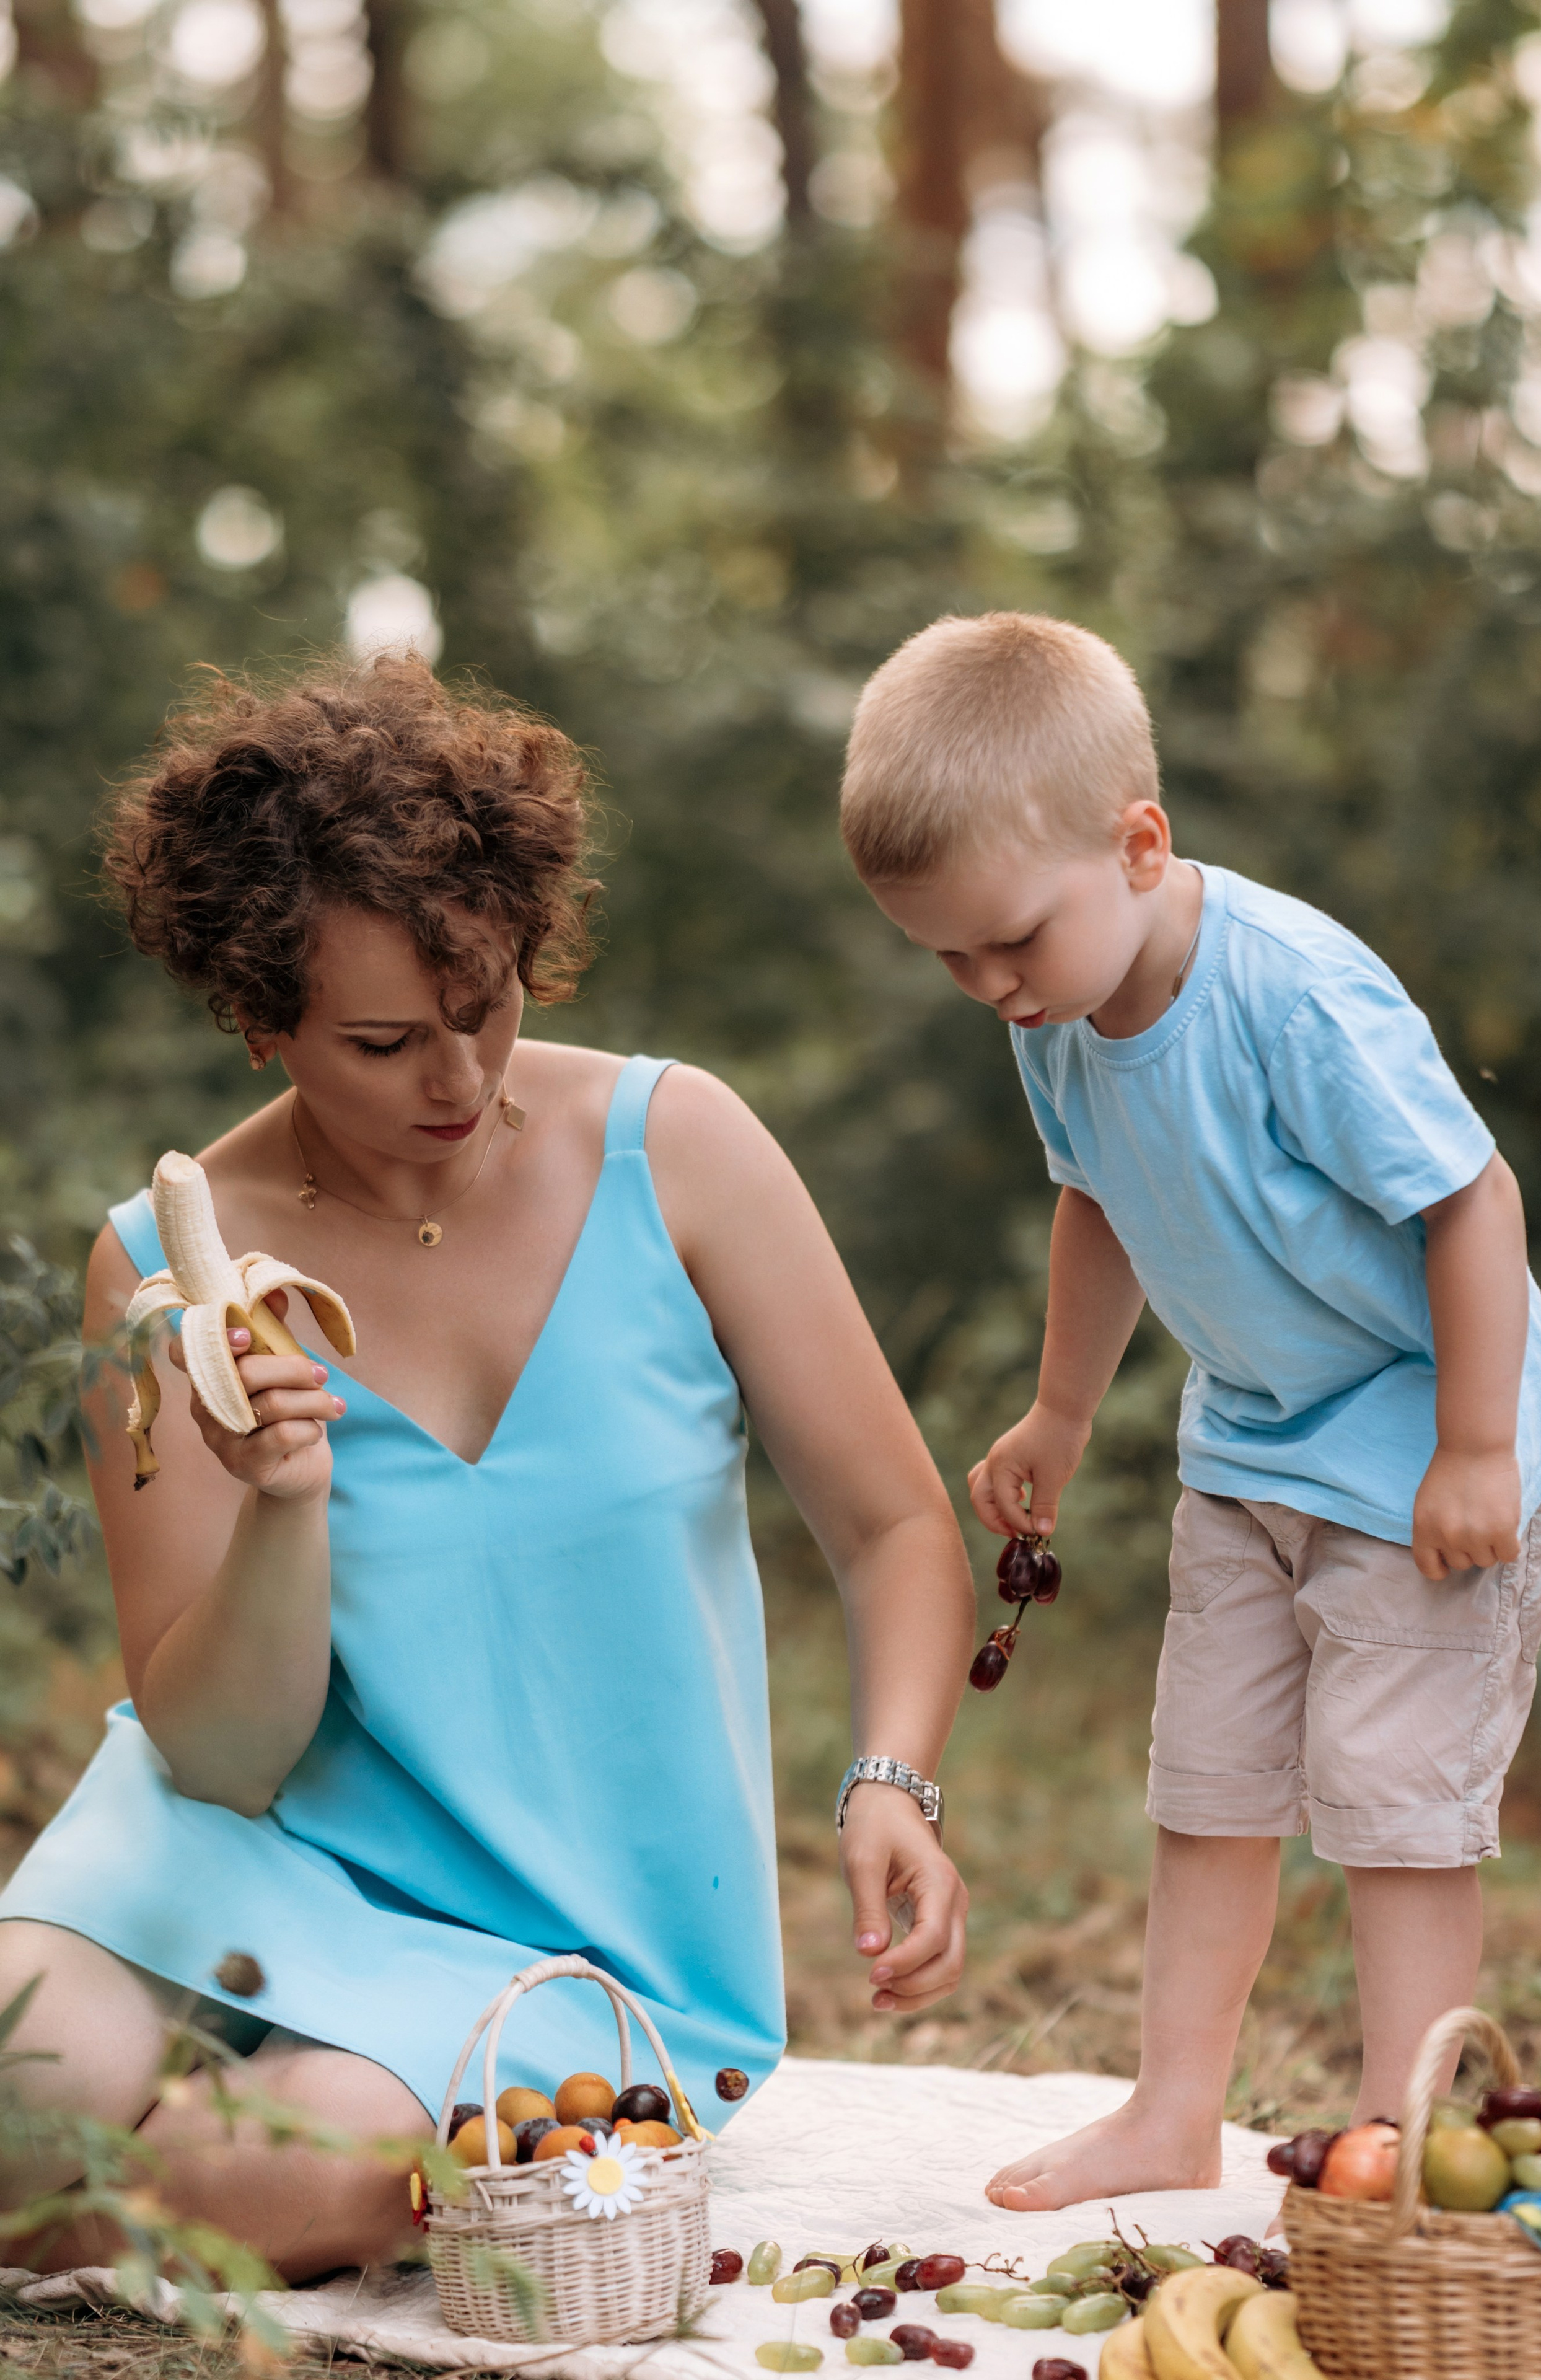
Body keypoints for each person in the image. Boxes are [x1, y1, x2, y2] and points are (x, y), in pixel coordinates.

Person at [0, 653, 974, 2278]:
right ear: (260, 1019)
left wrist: (895, 1780)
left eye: (487, 1006)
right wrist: (283, 1505)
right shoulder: (162, 1268)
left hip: (584, 1942)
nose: (458, 1080)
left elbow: (892, 1527)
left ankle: (119, 2206)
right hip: (243, 1844)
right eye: (385, 1042)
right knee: (24, 2092)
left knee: (293, 2168)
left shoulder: (682, 1153)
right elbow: (222, 1757)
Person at [840, 609, 1541, 2213]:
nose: (990, 989)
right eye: (949, 959)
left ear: (1139, 845)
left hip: (1422, 1449)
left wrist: (1476, 1445)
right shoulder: (1057, 1018)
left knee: (1392, 1812)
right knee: (1210, 1784)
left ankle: (1397, 2143)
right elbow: (1097, 1204)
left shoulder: (1294, 998)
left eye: (1009, 943)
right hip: (1252, 1443)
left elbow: (1472, 1199)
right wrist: (1059, 1413)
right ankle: (1174, 2111)